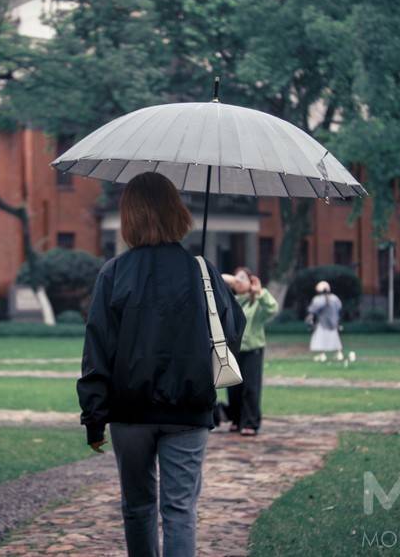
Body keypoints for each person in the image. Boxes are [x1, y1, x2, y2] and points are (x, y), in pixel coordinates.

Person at [77, 172, 246, 557]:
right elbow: (232, 332)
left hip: (129, 411)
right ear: (177, 212)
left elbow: (97, 352)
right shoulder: (201, 271)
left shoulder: (113, 274)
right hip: (189, 407)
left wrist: (94, 418)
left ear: (129, 216)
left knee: (137, 508)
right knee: (180, 510)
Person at [220, 267, 278, 436]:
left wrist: (260, 292)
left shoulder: (257, 303)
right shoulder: (229, 301)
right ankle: (236, 420)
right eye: (236, 277)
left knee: (250, 388)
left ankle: (251, 423)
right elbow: (222, 278)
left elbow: (272, 309)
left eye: (243, 277)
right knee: (233, 388)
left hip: (252, 351)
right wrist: (236, 279)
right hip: (233, 350)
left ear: (251, 281)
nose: (238, 280)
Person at [307, 281, 344, 362]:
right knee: (335, 338)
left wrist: (310, 318)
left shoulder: (318, 299)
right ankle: (339, 353)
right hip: (334, 322)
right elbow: (339, 307)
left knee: (320, 338)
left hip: (323, 322)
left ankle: (322, 354)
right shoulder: (335, 298)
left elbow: (313, 309)